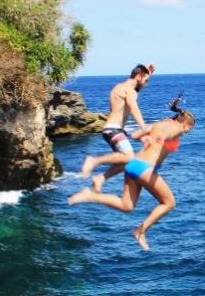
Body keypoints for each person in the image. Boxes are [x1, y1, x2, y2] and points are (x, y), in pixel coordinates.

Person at [69, 97, 195, 251]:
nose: (188, 132)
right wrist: (161, 137)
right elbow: (170, 132)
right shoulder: (176, 128)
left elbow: (135, 135)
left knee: (127, 205)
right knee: (169, 203)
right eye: (190, 129)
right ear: (186, 124)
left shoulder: (158, 124)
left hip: (132, 166)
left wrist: (149, 137)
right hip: (145, 168)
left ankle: (91, 195)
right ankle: (140, 232)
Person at [81, 63, 156, 192]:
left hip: (110, 129)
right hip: (114, 129)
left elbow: (135, 91)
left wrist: (148, 74)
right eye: (146, 80)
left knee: (125, 161)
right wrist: (144, 128)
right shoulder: (129, 90)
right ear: (138, 76)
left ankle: (101, 178)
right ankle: (93, 161)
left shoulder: (119, 88)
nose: (146, 84)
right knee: (129, 157)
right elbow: (134, 108)